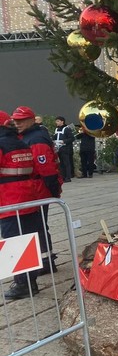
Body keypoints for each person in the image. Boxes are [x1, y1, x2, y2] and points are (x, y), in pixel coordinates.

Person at [0, 111, 45, 300]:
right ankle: (30, 282)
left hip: (9, 200)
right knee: (26, 241)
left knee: (13, 242)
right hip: (27, 197)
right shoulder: (20, 142)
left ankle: (22, 285)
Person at [12, 106, 61, 275]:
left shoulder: (36, 139)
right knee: (37, 225)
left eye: (21, 120)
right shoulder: (30, 136)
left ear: (32, 120)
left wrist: (54, 192)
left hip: (39, 189)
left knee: (37, 226)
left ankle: (46, 262)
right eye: (15, 120)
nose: (17, 124)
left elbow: (46, 168)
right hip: (36, 188)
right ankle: (44, 260)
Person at [52, 116, 75, 182]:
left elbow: (72, 138)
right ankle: (63, 176)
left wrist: (64, 141)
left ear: (62, 122)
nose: (56, 122)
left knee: (66, 163)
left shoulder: (66, 129)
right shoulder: (56, 129)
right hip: (58, 148)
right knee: (61, 163)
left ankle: (68, 177)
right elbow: (55, 137)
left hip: (65, 148)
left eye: (58, 121)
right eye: (56, 121)